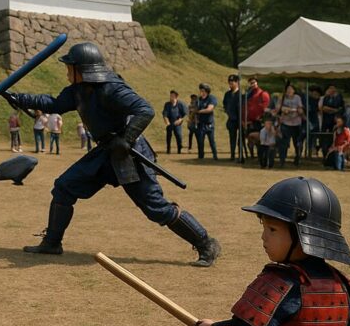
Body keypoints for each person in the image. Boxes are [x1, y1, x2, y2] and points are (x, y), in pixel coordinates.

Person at [13, 43, 221, 266]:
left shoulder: (112, 87)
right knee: (64, 187)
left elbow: (145, 110)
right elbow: (54, 104)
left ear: (82, 70)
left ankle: (206, 243)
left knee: (156, 208)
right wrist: (20, 98)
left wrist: (127, 138)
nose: (67, 72)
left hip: (129, 154)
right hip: (105, 152)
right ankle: (52, 242)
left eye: (70, 68)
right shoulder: (78, 90)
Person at [191, 177, 350, 326]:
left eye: (272, 229)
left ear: (304, 235)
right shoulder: (342, 285)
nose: (263, 236)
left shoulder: (281, 282)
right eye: (264, 227)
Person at [275, 83, 304, 167]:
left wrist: (298, 110)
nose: (289, 91)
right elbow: (277, 109)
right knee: (283, 143)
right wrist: (283, 109)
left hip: (296, 123)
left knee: (297, 143)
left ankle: (297, 159)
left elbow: (300, 108)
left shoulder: (297, 98)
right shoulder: (282, 98)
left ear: (294, 90)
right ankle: (282, 160)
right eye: (288, 89)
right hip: (285, 123)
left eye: (291, 89)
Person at [245, 77, 270, 159]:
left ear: (257, 83)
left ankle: (261, 156)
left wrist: (262, 117)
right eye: (251, 83)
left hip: (259, 121)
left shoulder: (263, 93)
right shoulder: (248, 94)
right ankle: (252, 156)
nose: (252, 84)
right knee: (250, 140)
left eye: (254, 82)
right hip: (250, 121)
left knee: (259, 140)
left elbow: (266, 107)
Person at [195, 83, 218, 160]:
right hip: (201, 124)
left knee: (212, 141)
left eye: (203, 91)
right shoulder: (198, 100)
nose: (202, 92)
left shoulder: (211, 98)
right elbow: (195, 110)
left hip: (209, 124)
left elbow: (209, 109)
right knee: (200, 141)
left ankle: (215, 155)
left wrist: (199, 111)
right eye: (201, 90)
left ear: (207, 91)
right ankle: (200, 156)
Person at [223, 75, 243, 161]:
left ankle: (240, 154)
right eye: (229, 83)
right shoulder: (227, 94)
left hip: (240, 119)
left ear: (237, 82)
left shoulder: (241, 94)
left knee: (240, 139)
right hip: (231, 119)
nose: (230, 84)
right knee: (232, 138)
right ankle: (232, 154)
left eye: (232, 83)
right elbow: (225, 104)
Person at [162, 90, 187, 154]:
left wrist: (180, 120)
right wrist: (167, 123)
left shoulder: (180, 104)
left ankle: (179, 149)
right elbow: (165, 114)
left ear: (176, 97)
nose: (171, 97)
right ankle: (168, 149)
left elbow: (185, 114)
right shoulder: (167, 104)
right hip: (170, 123)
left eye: (173, 96)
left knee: (179, 136)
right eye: (170, 96)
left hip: (178, 123)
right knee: (168, 136)